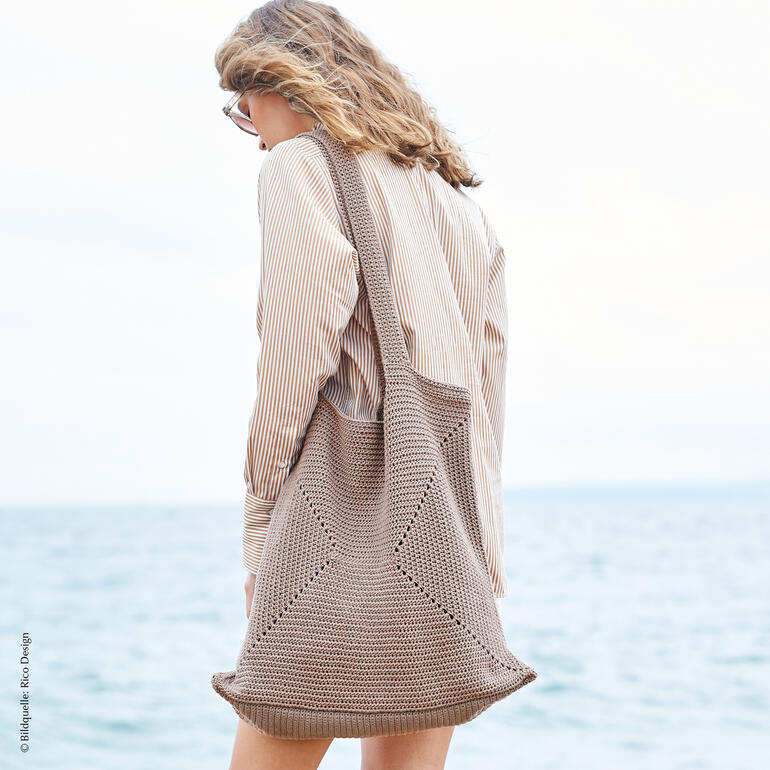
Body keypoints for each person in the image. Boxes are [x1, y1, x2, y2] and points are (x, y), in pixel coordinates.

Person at [214, 2, 510, 768]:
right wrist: (480, 558)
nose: (249, 126)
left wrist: (261, 531)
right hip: (448, 539)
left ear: (279, 82)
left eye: (244, 105)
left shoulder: (300, 166)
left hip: (335, 523)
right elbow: (485, 390)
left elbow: (295, 350)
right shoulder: (456, 204)